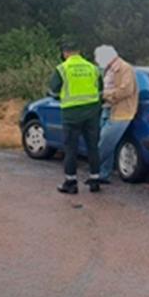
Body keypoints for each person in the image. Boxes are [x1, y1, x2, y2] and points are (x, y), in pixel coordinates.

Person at [49, 43, 103, 194]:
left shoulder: (62, 68)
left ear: (65, 53)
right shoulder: (92, 68)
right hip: (92, 112)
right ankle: (95, 180)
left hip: (71, 114)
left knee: (71, 148)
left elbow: (53, 90)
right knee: (93, 147)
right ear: (79, 52)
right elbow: (100, 90)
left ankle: (71, 182)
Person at [94, 44, 138, 183]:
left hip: (121, 112)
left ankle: (93, 170)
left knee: (105, 143)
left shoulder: (125, 69)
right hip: (108, 109)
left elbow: (126, 90)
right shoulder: (107, 69)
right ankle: (103, 174)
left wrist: (105, 95)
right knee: (108, 144)